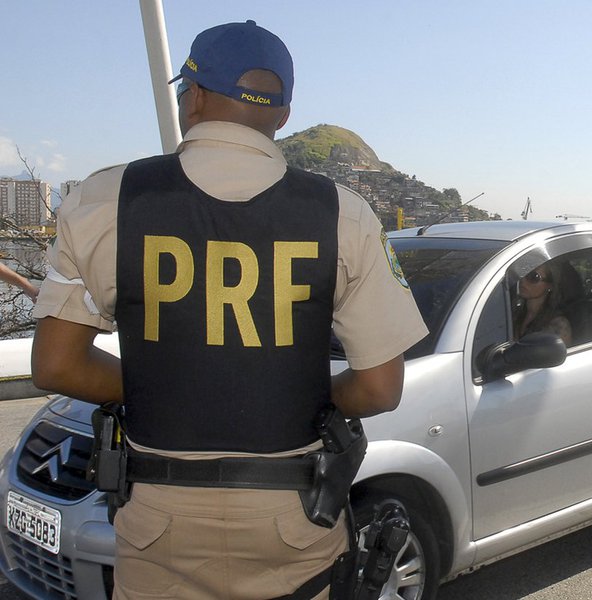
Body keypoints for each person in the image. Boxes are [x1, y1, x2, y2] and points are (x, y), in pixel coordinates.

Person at [31, 21, 427, 600]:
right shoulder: (344, 214)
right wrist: (309, 400)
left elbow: (57, 366)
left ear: (192, 97)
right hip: (295, 516)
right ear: (284, 115)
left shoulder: (105, 199)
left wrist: (154, 388)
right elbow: (379, 388)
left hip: (158, 518)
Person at [512, 259, 572, 345]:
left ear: (550, 285)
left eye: (533, 277)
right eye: (521, 274)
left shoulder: (558, 324)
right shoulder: (514, 313)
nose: (523, 280)